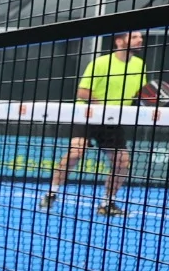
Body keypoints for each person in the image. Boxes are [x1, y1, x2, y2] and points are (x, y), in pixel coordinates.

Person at [41, 30, 148, 217]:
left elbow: (139, 95)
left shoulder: (140, 65)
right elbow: (82, 92)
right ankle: (51, 194)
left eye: (140, 37)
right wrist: (103, 108)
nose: (140, 40)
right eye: (134, 37)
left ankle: (107, 204)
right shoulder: (100, 63)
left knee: (122, 163)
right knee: (76, 152)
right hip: (88, 114)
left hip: (114, 120)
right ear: (119, 41)